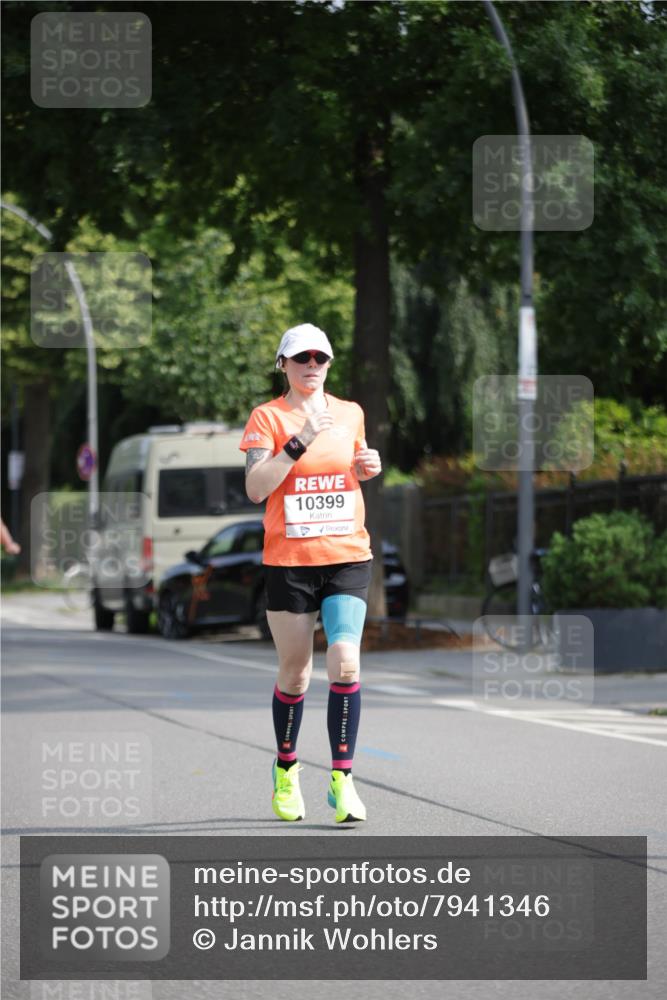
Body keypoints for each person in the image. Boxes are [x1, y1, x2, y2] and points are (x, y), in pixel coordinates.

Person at [240, 323, 382, 823]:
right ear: (283, 364)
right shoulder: (268, 418)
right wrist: (299, 439)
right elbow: (257, 488)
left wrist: (367, 466)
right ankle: (286, 767)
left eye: (320, 358)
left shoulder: (350, 413)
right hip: (290, 564)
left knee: (345, 663)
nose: (312, 365)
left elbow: (353, 468)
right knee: (296, 673)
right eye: (301, 358)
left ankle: (343, 781)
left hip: (346, 554)